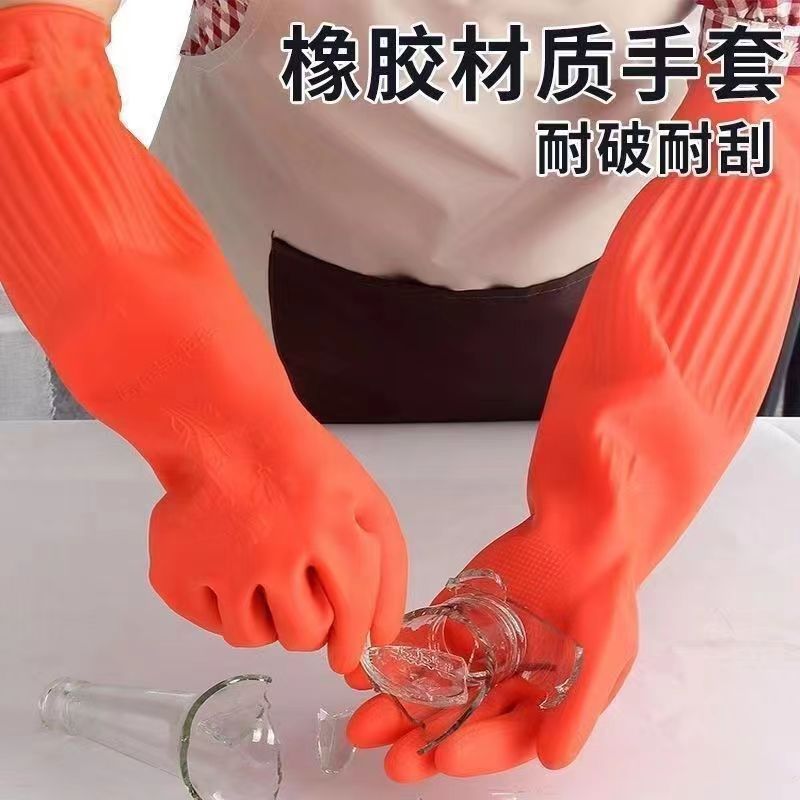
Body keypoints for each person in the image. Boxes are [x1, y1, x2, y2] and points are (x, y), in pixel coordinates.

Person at [0, 0, 798, 782]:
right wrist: (208, 421)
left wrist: (611, 509)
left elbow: (770, 79)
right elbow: (21, 46)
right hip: (211, 278)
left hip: (629, 279)